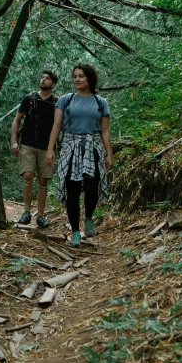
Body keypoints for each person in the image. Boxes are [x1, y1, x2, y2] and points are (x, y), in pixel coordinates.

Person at [45, 64, 113, 247]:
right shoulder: (66, 101)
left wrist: (109, 154)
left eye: (81, 76)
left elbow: (105, 131)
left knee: (92, 188)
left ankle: (89, 216)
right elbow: (56, 126)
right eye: (75, 76)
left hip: (93, 146)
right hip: (70, 146)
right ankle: (75, 231)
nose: (77, 79)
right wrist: (50, 150)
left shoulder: (100, 103)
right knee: (72, 190)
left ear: (89, 78)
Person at [11, 70, 59, 228]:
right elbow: (17, 120)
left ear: (53, 84)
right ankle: (26, 211)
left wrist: (52, 149)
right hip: (27, 143)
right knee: (28, 175)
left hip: (46, 147)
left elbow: (58, 126)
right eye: (42, 77)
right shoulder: (30, 99)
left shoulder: (56, 103)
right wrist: (14, 141)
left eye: (47, 79)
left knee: (43, 180)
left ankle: (40, 214)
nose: (43, 80)